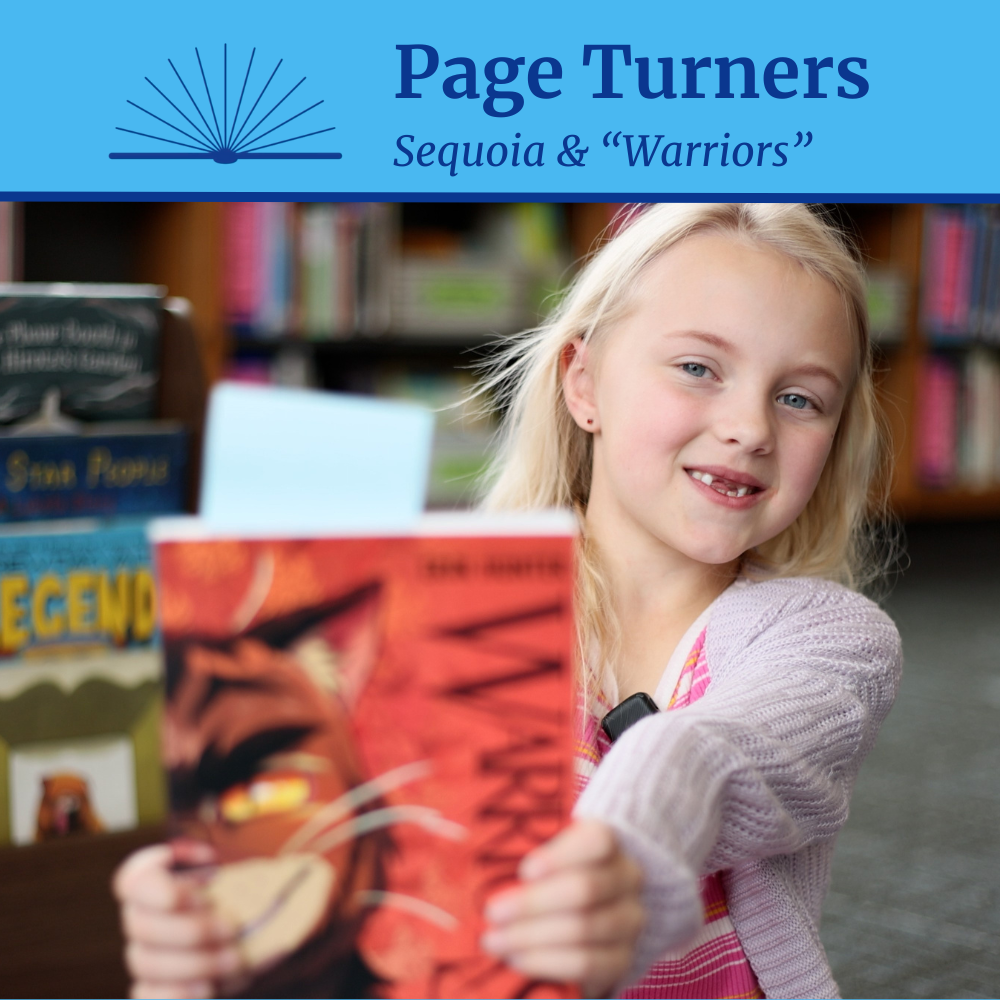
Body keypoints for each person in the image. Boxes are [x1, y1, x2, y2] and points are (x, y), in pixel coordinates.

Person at [113, 202, 901, 999]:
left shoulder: (835, 641)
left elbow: (709, 757)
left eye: (800, 399)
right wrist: (213, 944)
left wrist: (623, 867)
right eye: (698, 368)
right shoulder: (430, 612)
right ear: (583, 384)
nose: (748, 427)